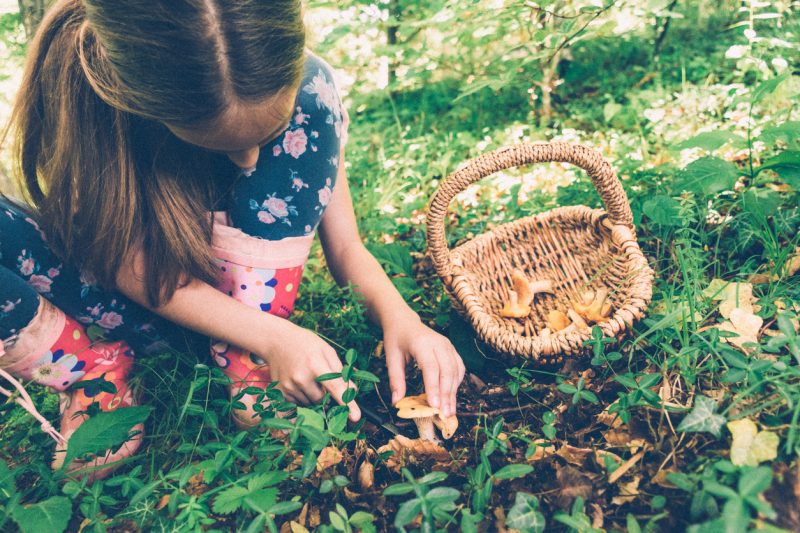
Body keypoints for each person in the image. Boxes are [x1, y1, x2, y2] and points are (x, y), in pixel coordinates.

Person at [0, 0, 465, 479]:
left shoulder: (305, 92)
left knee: (316, 89)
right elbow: (126, 265)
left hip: (252, 315)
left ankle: (249, 365)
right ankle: (89, 370)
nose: (248, 161)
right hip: (128, 306)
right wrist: (277, 337)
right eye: (219, 142)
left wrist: (400, 315)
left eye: (271, 133)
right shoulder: (92, 96)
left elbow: (346, 248)